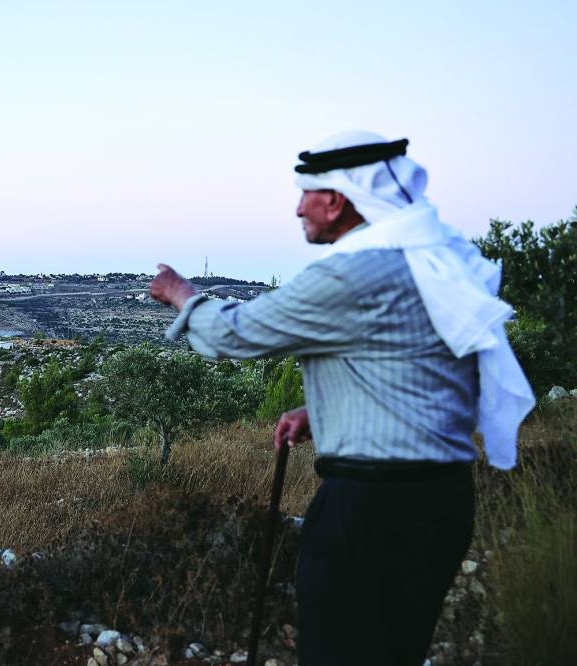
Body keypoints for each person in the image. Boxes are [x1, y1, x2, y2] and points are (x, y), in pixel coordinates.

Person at [149, 131, 534, 666]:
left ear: (336, 199)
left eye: (305, 194)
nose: (297, 209)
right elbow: (421, 365)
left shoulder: (348, 275)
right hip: (443, 501)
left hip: (371, 509)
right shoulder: (433, 260)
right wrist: (326, 407)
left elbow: (235, 335)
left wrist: (182, 295)